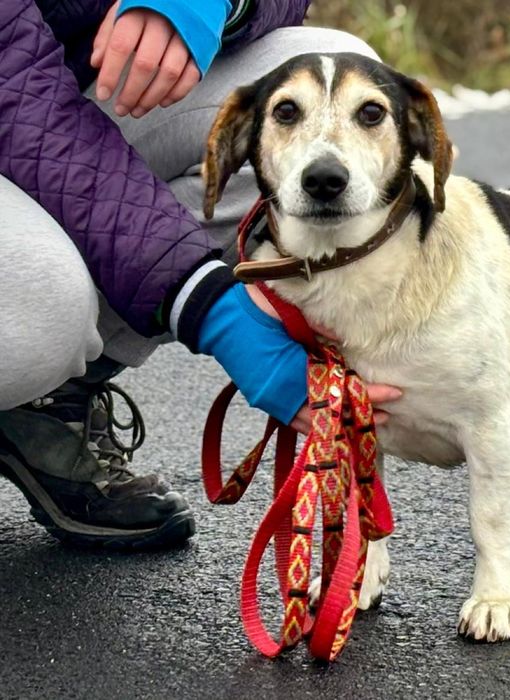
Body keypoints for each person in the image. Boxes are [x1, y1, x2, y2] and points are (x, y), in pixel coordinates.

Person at [0, 0, 400, 548]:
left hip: (66, 93)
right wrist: (212, 307)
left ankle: (44, 402)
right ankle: (30, 351)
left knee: (330, 80)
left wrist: (213, 5)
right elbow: (17, 90)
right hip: (18, 98)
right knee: (40, 305)